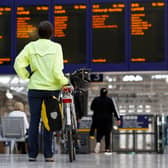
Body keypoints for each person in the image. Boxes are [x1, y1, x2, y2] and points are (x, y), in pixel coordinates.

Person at [14, 20, 69, 162]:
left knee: (34, 121)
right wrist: (64, 82)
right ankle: (48, 155)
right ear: (51, 33)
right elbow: (57, 71)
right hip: (51, 90)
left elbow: (17, 63)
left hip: (35, 89)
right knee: (49, 122)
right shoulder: (57, 47)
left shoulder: (30, 47)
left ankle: (32, 155)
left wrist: (26, 75)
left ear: (38, 33)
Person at [90, 88, 120, 155]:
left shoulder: (96, 99)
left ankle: (98, 142)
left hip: (98, 119)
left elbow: (91, 108)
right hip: (108, 120)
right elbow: (114, 110)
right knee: (107, 134)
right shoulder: (110, 100)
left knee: (99, 132)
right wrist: (118, 119)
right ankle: (107, 149)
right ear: (106, 93)